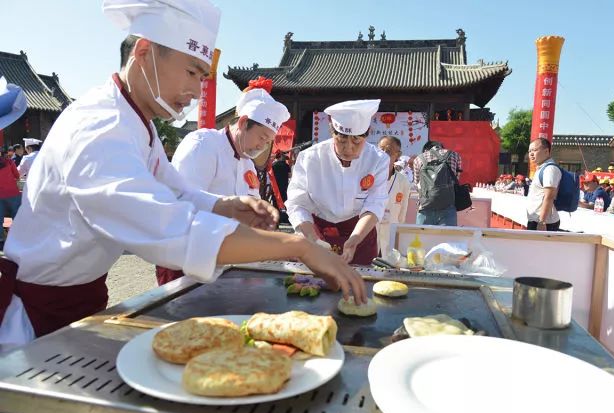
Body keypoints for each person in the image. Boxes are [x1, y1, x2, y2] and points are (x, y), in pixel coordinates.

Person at [0, 0, 365, 350]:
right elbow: (166, 225)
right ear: (143, 53)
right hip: (35, 317)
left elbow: (174, 191)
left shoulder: (136, 122)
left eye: (202, 77)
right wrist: (297, 246)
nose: (195, 90)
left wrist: (223, 205)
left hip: (80, 298)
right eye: (191, 71)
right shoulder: (101, 126)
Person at [157, 88, 290, 285]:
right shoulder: (203, 144)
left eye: (268, 141)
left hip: (225, 260)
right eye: (262, 137)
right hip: (186, 257)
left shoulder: (247, 163)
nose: (262, 146)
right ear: (244, 123)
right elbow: (183, 203)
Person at [286, 99, 389, 265]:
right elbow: (297, 203)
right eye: (341, 139)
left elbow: (375, 203)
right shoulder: (310, 158)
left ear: (368, 132)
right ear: (332, 131)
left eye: (356, 141)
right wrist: (311, 237)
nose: (348, 148)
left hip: (359, 232)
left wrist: (355, 238)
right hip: (318, 230)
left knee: (361, 285)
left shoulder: (378, 159)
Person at [413, 140, 462, 226]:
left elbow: (417, 184)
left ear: (425, 150)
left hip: (425, 207)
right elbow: (456, 180)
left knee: (422, 238)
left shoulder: (418, 159)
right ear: (441, 147)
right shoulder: (454, 155)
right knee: (447, 238)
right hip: (448, 206)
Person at [376, 136, 410, 258]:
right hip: (369, 233)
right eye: (381, 149)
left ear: (398, 154)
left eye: (389, 151)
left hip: (390, 233)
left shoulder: (403, 181)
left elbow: (402, 215)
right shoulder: (368, 177)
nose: (384, 154)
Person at [526, 137, 561, 231]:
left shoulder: (550, 169)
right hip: (535, 219)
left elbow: (549, 196)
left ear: (546, 151)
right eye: (529, 151)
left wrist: (542, 221)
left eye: (534, 150)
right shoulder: (541, 168)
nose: (531, 154)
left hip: (545, 223)